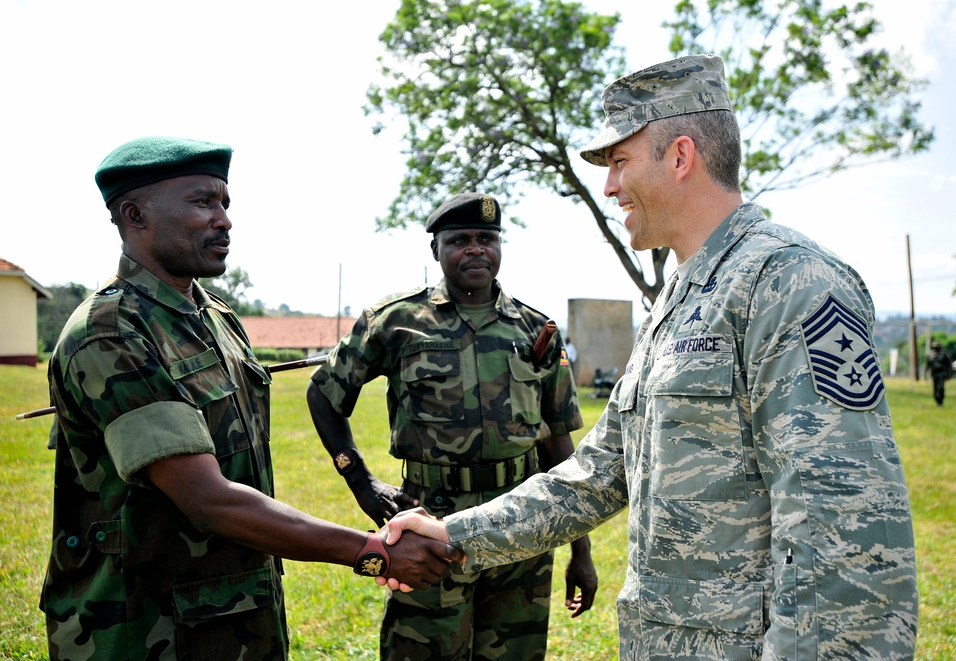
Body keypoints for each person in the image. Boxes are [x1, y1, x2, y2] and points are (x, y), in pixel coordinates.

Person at [382, 55, 919, 660]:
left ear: (681, 156)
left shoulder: (790, 282)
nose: (608, 186)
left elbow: (846, 532)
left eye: (618, 161)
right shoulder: (680, 296)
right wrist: (454, 535)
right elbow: (597, 474)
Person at [41, 136, 461, 661]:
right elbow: (207, 498)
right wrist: (371, 552)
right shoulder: (111, 332)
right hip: (145, 625)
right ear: (134, 214)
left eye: (225, 203)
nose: (224, 220)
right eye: (202, 202)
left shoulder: (214, 318)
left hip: (233, 611)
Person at [306, 192, 597, 660]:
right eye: (460, 240)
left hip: (521, 523)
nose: (475, 249)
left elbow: (558, 443)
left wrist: (580, 550)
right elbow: (324, 393)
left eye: (487, 238)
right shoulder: (396, 322)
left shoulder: (534, 330)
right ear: (436, 250)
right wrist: (360, 481)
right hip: (429, 524)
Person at [926, 340, 954, 405]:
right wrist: (926, 373)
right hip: (934, 373)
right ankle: (937, 399)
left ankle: (941, 400)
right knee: (935, 387)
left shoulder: (944, 355)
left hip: (942, 373)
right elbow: (928, 365)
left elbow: (948, 365)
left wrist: (949, 374)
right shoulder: (930, 355)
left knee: (940, 387)